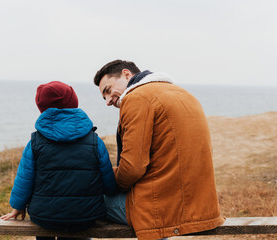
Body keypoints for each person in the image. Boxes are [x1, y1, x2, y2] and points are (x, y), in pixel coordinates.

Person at [94, 60, 225, 240]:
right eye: (104, 98)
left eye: (108, 90)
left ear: (126, 74)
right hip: (200, 208)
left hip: (163, 207)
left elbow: (132, 168)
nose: (108, 101)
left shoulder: (136, 98)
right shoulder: (183, 94)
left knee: (81, 202)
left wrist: (107, 178)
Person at [1, 81, 117, 240]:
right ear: (74, 102)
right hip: (85, 216)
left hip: (43, 216)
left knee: (45, 229)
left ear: (42, 108)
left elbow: (24, 179)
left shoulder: (35, 142)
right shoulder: (94, 141)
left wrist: (18, 207)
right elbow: (109, 183)